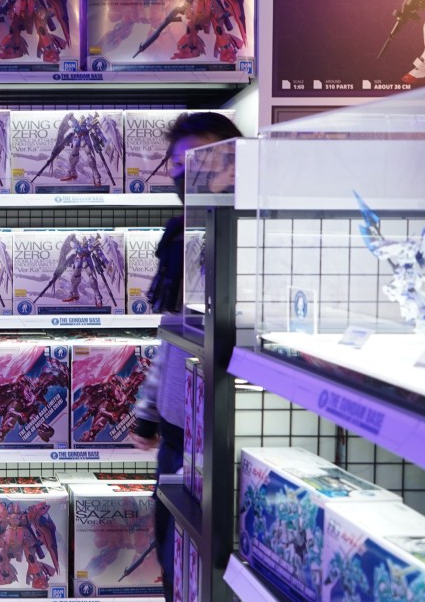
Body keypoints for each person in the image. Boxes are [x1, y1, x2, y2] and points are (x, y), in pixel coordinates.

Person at [131, 111, 241, 602]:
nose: (183, 174)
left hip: (227, 432)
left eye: (197, 160)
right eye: (177, 164)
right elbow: (171, 337)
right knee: (174, 561)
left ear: (235, 161)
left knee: (214, 572)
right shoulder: (184, 236)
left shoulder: (253, 233)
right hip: (178, 431)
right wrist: (148, 410)